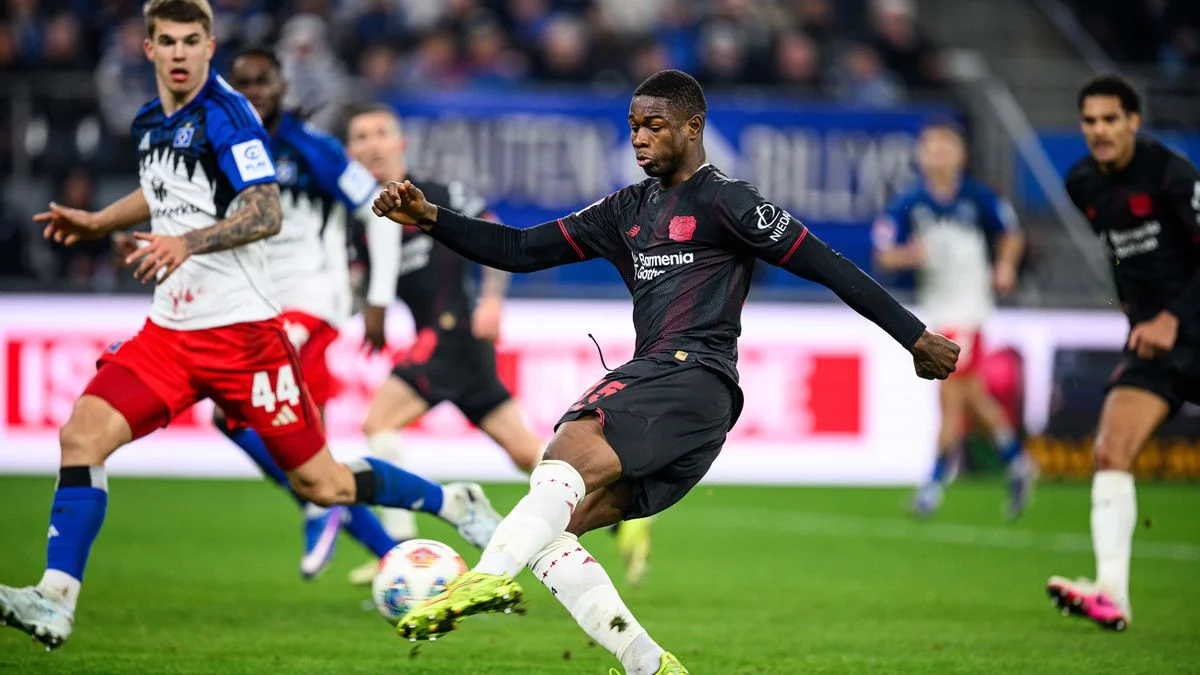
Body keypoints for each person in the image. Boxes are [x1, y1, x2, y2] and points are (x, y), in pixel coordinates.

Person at [372, 69, 959, 674]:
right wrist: (431, 217)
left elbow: (826, 265)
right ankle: (647, 663)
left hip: (692, 377)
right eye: (633, 128)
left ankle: (489, 577)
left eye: (654, 126)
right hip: (674, 401)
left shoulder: (728, 201)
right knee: (548, 528)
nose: (640, 139)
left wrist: (914, 336)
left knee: (567, 446)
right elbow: (519, 250)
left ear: (692, 127)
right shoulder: (625, 209)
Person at [0, 0, 498, 651]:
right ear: (148, 49)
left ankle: (452, 502)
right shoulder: (153, 119)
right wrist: (99, 222)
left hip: (244, 338)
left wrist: (189, 244)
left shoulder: (230, 116)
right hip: (170, 335)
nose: (179, 53)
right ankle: (56, 598)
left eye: (192, 41)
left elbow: (262, 211)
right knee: (81, 436)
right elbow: (161, 189)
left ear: (209, 48)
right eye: (167, 41)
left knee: (324, 481)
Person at [214, 47, 499, 580]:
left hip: (319, 310)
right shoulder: (224, 145)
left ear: (281, 88)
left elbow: (384, 217)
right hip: (252, 305)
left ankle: (353, 514)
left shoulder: (314, 151)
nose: (252, 92)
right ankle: (385, 539)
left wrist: (376, 302)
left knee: (330, 429)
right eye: (242, 82)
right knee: (233, 418)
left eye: (263, 81)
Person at [340, 105, 555, 584]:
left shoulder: (435, 196)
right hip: (452, 348)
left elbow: (498, 238)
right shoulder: (359, 221)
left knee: (379, 422)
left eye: (381, 133)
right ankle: (616, 502)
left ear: (401, 144)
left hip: (456, 331)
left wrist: (493, 301)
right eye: (361, 137)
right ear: (350, 152)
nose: (372, 144)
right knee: (525, 453)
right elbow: (359, 288)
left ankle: (396, 553)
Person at [1047, 74, 1200, 632]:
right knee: (1111, 451)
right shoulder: (1082, 182)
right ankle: (1112, 591)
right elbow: (1124, 257)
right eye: (1089, 121)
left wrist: (1172, 316)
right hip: (1153, 345)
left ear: (1134, 121)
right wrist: (1138, 313)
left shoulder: (1171, 174)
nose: (1099, 130)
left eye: (1110, 119)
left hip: (1187, 325)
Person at [872, 117, 1034, 519]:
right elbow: (884, 253)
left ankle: (933, 485)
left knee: (949, 399)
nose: (936, 156)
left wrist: (1006, 266)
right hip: (937, 309)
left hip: (969, 309)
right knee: (974, 399)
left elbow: (1012, 235)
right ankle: (1017, 461)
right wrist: (909, 256)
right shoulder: (910, 202)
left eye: (944, 148)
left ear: (960, 155)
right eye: (929, 148)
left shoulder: (979, 198)